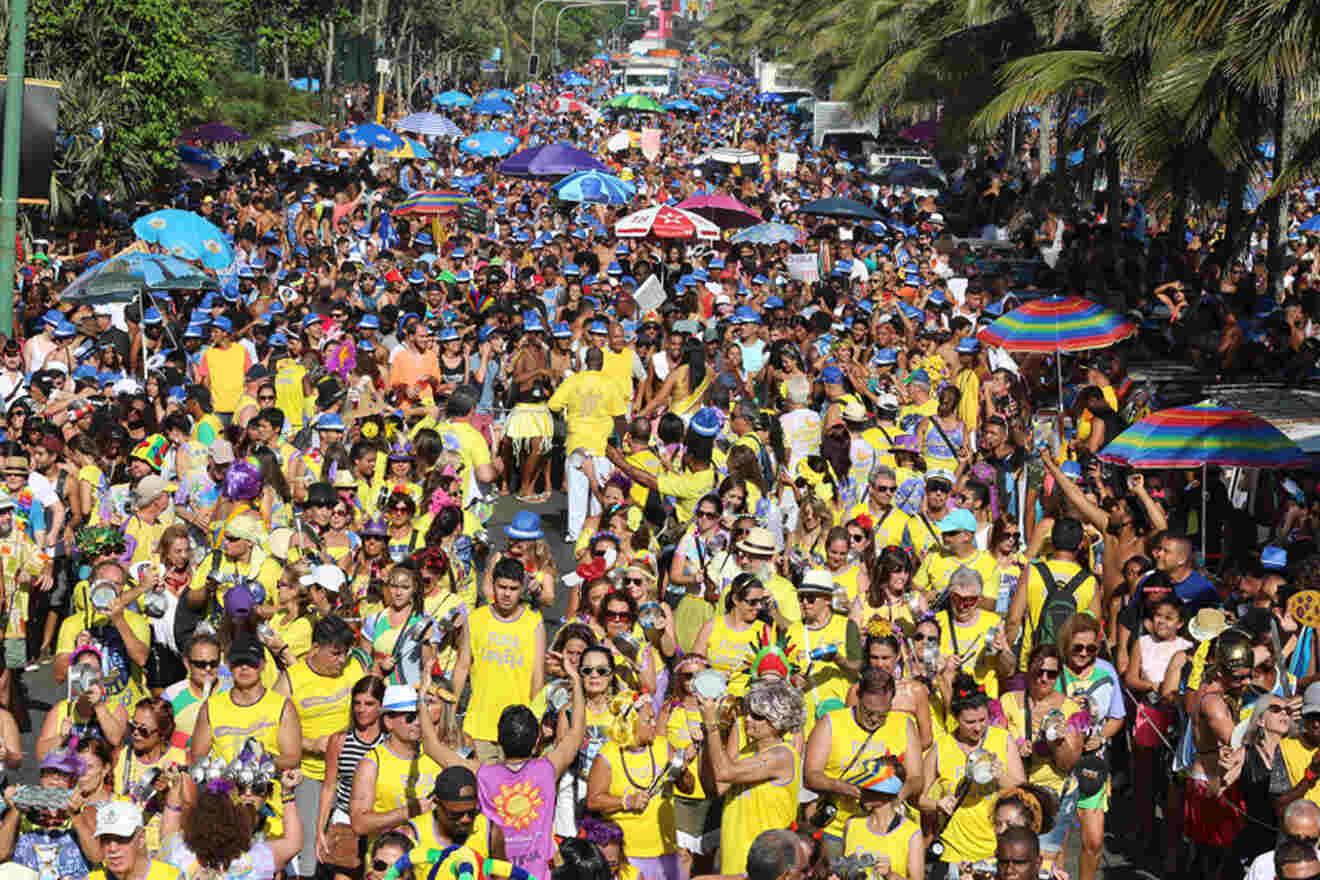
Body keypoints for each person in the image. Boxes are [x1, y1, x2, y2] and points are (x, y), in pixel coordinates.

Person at [804, 668, 922, 858]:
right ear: (858, 696)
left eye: (883, 714)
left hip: (884, 832)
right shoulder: (831, 723)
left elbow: (916, 778)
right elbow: (810, 776)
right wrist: (839, 787)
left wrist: (893, 799)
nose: (875, 719)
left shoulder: (905, 724)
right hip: (836, 831)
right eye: (868, 712)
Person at [283, 615, 364, 880]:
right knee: (309, 847)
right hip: (311, 773)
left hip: (350, 772)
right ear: (315, 649)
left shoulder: (353, 669)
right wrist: (309, 744)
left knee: (345, 849)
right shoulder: (291, 680)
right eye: (335, 654)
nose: (342, 661)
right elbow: (273, 731)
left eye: (345, 653)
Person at [698, 678, 804, 876]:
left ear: (777, 721)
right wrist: (706, 737)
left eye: (757, 716)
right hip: (733, 863)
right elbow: (716, 788)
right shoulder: (748, 751)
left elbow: (724, 772)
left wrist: (712, 724)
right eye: (747, 712)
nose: (747, 719)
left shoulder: (783, 755)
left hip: (764, 868)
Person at [921, 673, 1026, 870]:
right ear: (955, 718)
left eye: (982, 719)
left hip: (996, 852)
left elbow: (1023, 793)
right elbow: (920, 799)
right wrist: (937, 804)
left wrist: (1001, 777)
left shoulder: (1002, 739)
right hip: (953, 853)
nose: (978, 728)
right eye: (970, 722)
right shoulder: (941, 747)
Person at [587, 690, 691, 880]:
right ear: (631, 723)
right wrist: (627, 801)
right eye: (648, 720)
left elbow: (688, 788)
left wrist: (683, 771)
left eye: (654, 718)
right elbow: (593, 801)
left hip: (665, 851)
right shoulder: (608, 755)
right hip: (629, 857)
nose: (654, 724)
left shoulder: (663, 746)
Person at [452, 556, 546, 762]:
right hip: (479, 724)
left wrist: (535, 720)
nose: (506, 594)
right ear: (492, 585)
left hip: (517, 728)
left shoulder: (534, 623)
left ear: (522, 589)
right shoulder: (475, 618)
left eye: (513, 588)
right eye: (502, 586)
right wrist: (451, 711)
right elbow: (462, 666)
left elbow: (537, 675)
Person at [997, 645, 1084, 864]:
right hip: (1016, 793)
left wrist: (1057, 743)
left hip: (1052, 796)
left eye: (1051, 674)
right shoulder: (1008, 701)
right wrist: (1014, 749)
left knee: (1045, 861)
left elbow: (1068, 763)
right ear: (1028, 669)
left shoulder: (1071, 710)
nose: (1043, 678)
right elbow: (994, 746)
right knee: (1011, 857)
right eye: (1039, 671)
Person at [549, 347, 628, 543]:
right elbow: (619, 417)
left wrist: (567, 415)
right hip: (602, 446)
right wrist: (622, 444)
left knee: (576, 493)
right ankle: (596, 530)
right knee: (600, 492)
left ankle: (575, 534)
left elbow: (553, 405)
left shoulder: (573, 381)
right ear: (602, 363)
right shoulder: (610, 383)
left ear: (585, 361)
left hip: (576, 443)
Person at [840, 757, 923, 880]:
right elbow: (843, 871)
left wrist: (890, 875)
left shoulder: (911, 833)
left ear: (887, 792)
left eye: (869, 786)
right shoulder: (852, 824)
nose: (861, 790)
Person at [86, 801, 184, 880]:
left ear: (141, 839)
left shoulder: (170, 877)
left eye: (121, 838)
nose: (112, 848)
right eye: (105, 839)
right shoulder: (93, 878)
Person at [1243, 800, 1320, 880]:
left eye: (1310, 840)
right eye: (1295, 839)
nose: (1301, 846)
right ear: (1284, 831)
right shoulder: (1262, 865)